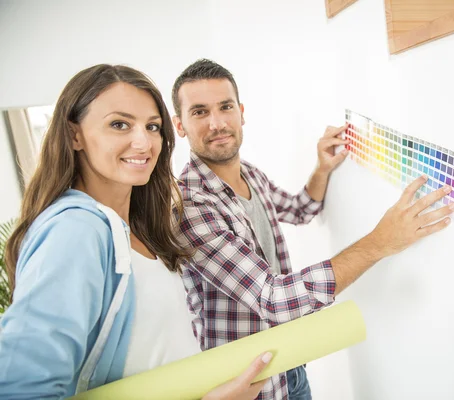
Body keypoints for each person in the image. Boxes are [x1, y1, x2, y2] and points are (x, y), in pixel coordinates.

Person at [171, 59, 454, 400]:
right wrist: (381, 242)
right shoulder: (190, 205)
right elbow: (273, 299)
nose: (217, 123)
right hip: (250, 386)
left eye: (225, 107)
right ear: (180, 125)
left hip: (290, 365)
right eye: (200, 112)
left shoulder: (249, 173)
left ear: (241, 112)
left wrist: (322, 168)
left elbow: (298, 209)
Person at [0, 64, 271, 400]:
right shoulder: (76, 230)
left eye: (152, 126)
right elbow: (20, 388)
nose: (143, 142)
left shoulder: (141, 227)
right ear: (74, 135)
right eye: (119, 124)